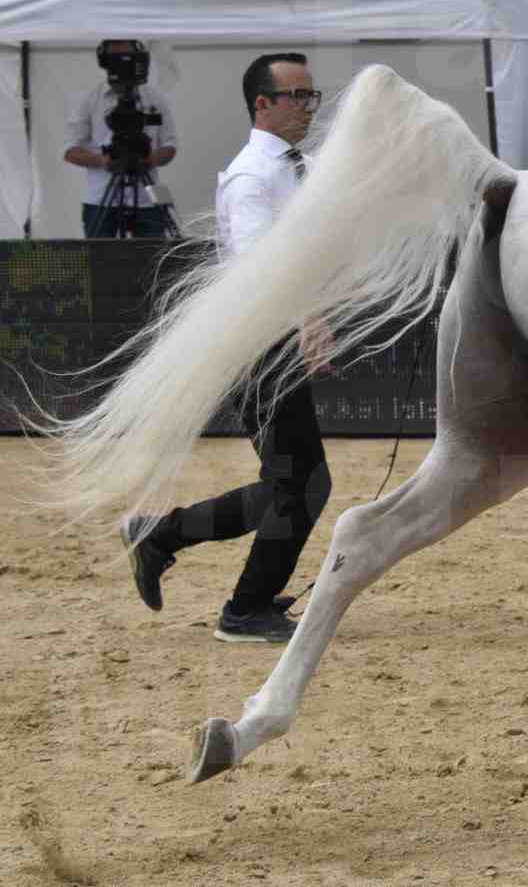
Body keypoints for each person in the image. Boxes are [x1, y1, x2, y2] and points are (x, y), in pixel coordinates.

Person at [118, 53, 332, 643]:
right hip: (260, 349)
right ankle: (244, 610)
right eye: (296, 96)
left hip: (279, 346)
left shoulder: (299, 166)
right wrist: (308, 318)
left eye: (311, 95)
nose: (307, 107)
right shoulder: (251, 177)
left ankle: (162, 535)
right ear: (261, 104)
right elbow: (259, 268)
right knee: (301, 484)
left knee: (289, 484)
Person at [63, 40, 179, 238]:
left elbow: (170, 145)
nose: (122, 63)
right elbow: (70, 150)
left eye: (127, 57)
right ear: (104, 61)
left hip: (147, 198)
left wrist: (150, 159)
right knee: (100, 261)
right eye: (115, 58)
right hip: (101, 199)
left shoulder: (155, 99)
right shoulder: (89, 99)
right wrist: (101, 160)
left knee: (154, 258)